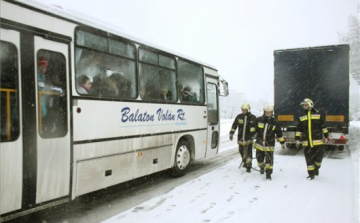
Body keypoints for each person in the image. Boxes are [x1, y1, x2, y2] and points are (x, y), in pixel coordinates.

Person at [295, 98, 329, 180]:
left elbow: (323, 126)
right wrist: (297, 139)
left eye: (305, 105)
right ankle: (311, 174)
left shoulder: (318, 115)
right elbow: (299, 129)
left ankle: (316, 167)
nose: (304, 107)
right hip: (307, 142)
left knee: (319, 158)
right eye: (303, 105)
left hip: (318, 142)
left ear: (310, 105)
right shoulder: (302, 116)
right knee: (309, 159)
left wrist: (326, 135)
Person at [253, 105, 285, 180]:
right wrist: (253, 134)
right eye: (266, 112)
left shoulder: (275, 122)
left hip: (269, 145)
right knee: (259, 159)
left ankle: (268, 174)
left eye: (269, 112)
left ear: (272, 112)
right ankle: (262, 167)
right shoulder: (259, 120)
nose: (268, 113)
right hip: (259, 144)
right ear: (264, 112)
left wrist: (282, 142)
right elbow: (253, 128)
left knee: (269, 161)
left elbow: (279, 133)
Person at [229, 103, 257, 172]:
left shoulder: (253, 118)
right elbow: (234, 125)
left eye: (245, 110)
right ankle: (244, 161)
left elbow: (256, 128)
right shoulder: (239, 117)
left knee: (249, 153)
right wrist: (231, 133)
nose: (244, 111)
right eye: (243, 110)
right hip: (241, 138)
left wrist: (254, 135)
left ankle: (249, 166)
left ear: (248, 110)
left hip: (249, 139)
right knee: (241, 151)